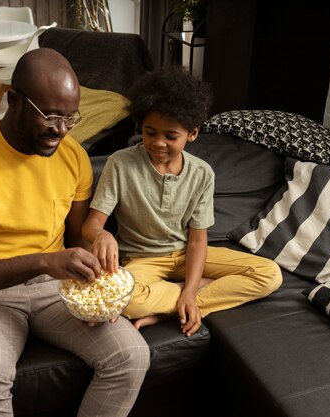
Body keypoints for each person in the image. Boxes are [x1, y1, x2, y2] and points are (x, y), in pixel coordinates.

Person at [0, 48, 150, 417]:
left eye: (70, 118)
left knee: (131, 356)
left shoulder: (73, 156)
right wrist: (46, 261)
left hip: (57, 288)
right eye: (50, 116)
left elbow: (79, 235)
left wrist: (99, 249)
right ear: (13, 101)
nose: (61, 131)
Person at [82, 66, 282, 337]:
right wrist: (101, 235)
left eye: (171, 136)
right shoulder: (120, 163)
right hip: (142, 260)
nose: (158, 143)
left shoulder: (202, 173)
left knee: (270, 274)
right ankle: (193, 294)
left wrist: (190, 290)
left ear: (192, 133)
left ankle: (178, 305)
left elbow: (198, 240)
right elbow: (92, 224)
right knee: (124, 299)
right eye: (150, 132)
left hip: (187, 254)